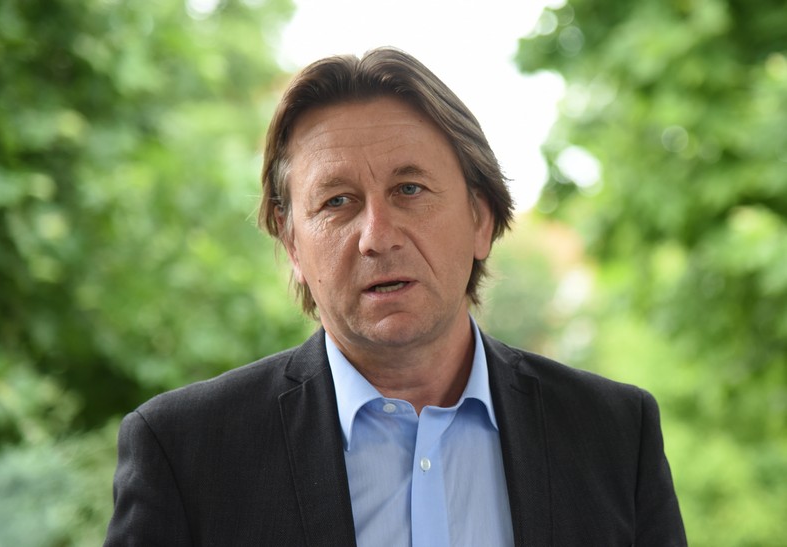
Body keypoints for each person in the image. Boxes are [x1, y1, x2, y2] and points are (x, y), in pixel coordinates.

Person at [104, 47, 686, 546]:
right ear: (292, 245)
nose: (377, 236)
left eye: (409, 189)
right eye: (337, 202)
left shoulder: (614, 434)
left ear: (481, 219)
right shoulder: (185, 453)